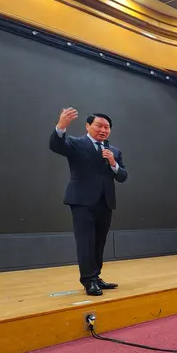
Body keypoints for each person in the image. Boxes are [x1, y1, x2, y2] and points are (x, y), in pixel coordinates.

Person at [49, 108, 127, 296]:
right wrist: (61, 126)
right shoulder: (76, 143)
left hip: (105, 202)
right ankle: (88, 280)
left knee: (99, 242)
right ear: (88, 126)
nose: (103, 130)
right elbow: (56, 146)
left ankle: (96, 276)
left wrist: (113, 164)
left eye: (107, 127)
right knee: (86, 242)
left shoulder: (113, 151)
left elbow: (123, 176)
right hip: (82, 201)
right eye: (99, 125)